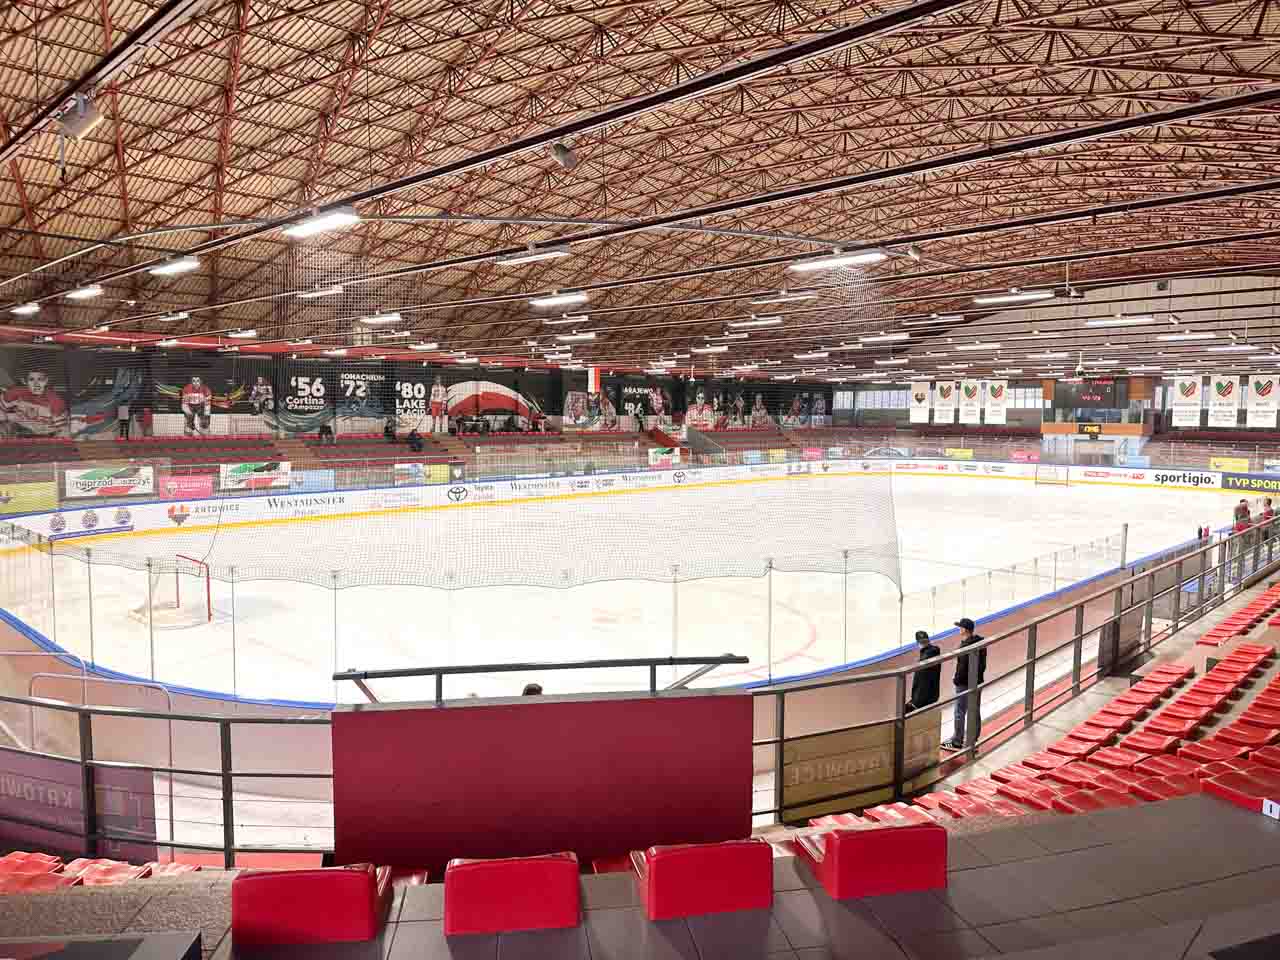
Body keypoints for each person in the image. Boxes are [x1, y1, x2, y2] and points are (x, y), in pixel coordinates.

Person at [945, 618, 986, 749]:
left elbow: (962, 667)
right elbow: (982, 665)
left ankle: (957, 740)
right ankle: (973, 740)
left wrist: (956, 680)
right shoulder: (980, 642)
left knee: (959, 710)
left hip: (963, 683)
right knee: (974, 710)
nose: (959, 629)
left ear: (964, 629)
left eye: (960, 627)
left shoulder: (965, 646)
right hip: (977, 681)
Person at [1, 369, 68, 437]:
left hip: (44, 438)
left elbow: (62, 431)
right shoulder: (15, 394)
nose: (36, 384)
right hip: (16, 436)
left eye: (40, 379)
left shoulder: (55, 402)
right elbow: (2, 414)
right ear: (24, 381)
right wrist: (8, 417)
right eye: (31, 380)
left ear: (46, 381)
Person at [905, 630, 941, 715]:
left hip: (923, 699)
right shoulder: (932, 652)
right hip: (932, 696)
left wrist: (915, 702)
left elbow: (922, 683)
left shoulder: (924, 660)